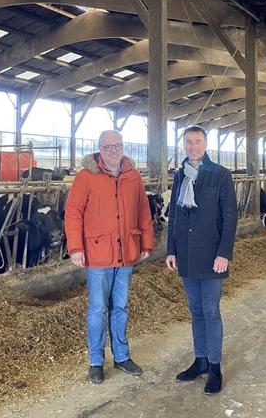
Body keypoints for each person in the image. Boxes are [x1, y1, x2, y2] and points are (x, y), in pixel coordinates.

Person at [65, 129, 155, 384]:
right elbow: (73, 213)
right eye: (107, 147)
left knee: (121, 306)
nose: (113, 151)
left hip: (126, 252)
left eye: (117, 146)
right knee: (96, 308)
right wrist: (75, 248)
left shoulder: (133, 176)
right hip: (96, 254)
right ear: (99, 150)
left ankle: (122, 356)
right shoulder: (86, 177)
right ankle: (96, 361)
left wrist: (146, 242)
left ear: (123, 147)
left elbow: (143, 212)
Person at [165, 125, 238, 395]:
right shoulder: (180, 175)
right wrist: (170, 250)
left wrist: (224, 253)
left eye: (198, 141)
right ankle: (201, 360)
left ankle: (216, 367)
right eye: (189, 142)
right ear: (184, 145)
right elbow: (173, 213)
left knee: (211, 311)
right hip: (185, 254)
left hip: (211, 256)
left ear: (206, 145)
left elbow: (230, 217)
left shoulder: (219, 175)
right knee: (195, 311)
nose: (193, 146)